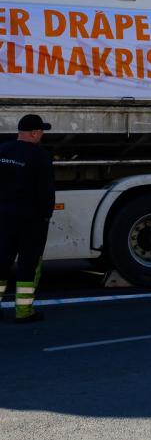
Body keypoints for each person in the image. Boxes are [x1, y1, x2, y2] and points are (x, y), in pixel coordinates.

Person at [0, 114, 55, 323]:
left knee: (1, 261)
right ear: (34, 133)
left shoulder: (2, 150)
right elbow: (46, 192)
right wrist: (46, 215)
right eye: (41, 131)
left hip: (3, 216)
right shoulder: (39, 156)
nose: (41, 134)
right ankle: (23, 312)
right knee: (28, 265)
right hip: (30, 220)